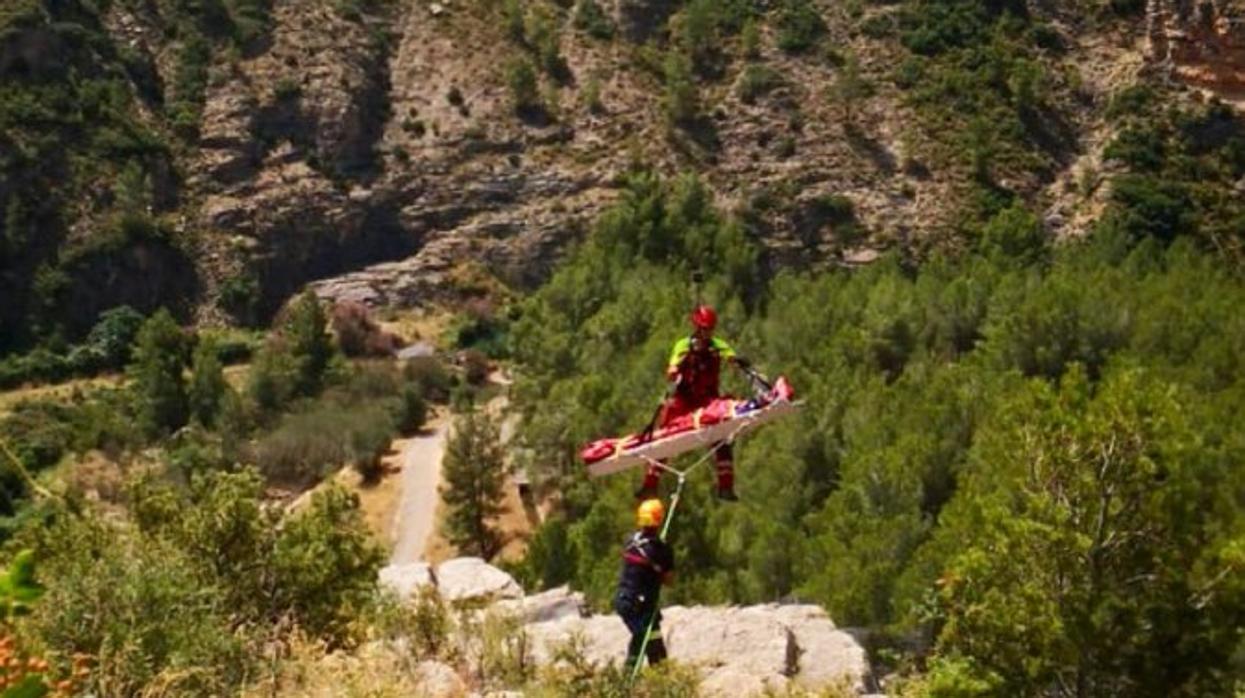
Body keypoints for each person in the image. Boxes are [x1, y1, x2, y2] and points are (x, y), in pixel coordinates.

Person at [637, 304, 752, 501]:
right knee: (665, 435)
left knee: (722, 435)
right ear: (697, 328)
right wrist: (674, 370)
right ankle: (650, 484)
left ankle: (725, 486)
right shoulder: (684, 345)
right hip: (684, 398)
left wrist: (738, 361)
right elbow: (673, 365)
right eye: (704, 329)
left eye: (710, 330)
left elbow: (730, 357)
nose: (707, 334)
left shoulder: (717, 345)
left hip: (707, 398)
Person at [614, 498, 675, 668]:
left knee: (653, 640)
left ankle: (659, 675)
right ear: (659, 520)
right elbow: (669, 580)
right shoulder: (661, 550)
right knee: (642, 641)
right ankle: (629, 682)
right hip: (639, 605)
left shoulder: (629, 541)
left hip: (624, 600)